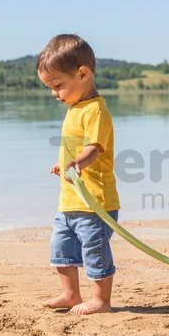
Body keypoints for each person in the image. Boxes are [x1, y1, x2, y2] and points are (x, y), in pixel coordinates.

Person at [36, 34, 120, 315]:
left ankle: (101, 300)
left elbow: (94, 147)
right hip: (69, 202)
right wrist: (63, 163)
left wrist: (78, 161)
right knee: (60, 249)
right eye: (50, 87)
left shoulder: (95, 110)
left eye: (58, 85)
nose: (54, 93)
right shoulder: (75, 109)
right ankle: (71, 294)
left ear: (82, 73)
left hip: (95, 203)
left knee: (95, 252)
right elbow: (73, 147)